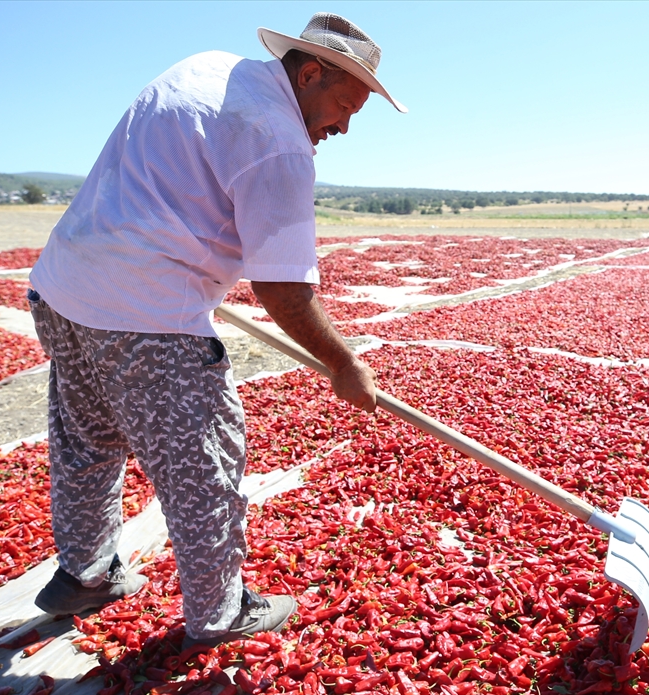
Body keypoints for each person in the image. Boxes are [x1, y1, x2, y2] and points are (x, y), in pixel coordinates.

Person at [28, 13, 405, 649]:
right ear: (308, 73)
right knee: (206, 462)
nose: (342, 126)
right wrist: (343, 362)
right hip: (147, 316)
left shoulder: (203, 68)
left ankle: (84, 575)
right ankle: (220, 611)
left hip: (64, 284)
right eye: (344, 106)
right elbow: (283, 291)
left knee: (87, 440)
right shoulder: (278, 139)